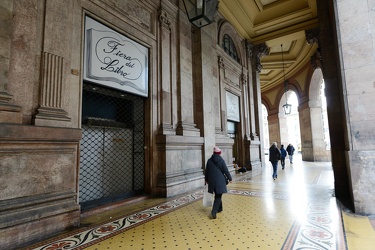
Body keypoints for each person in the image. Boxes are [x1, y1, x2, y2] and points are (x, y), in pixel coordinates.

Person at [205, 146, 232, 219]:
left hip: (212, 181)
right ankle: (214, 211)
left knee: (218, 193)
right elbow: (225, 170)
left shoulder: (209, 161)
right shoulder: (221, 160)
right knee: (218, 195)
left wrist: (206, 180)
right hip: (219, 180)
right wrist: (230, 178)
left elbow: (206, 171)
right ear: (219, 153)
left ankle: (220, 208)